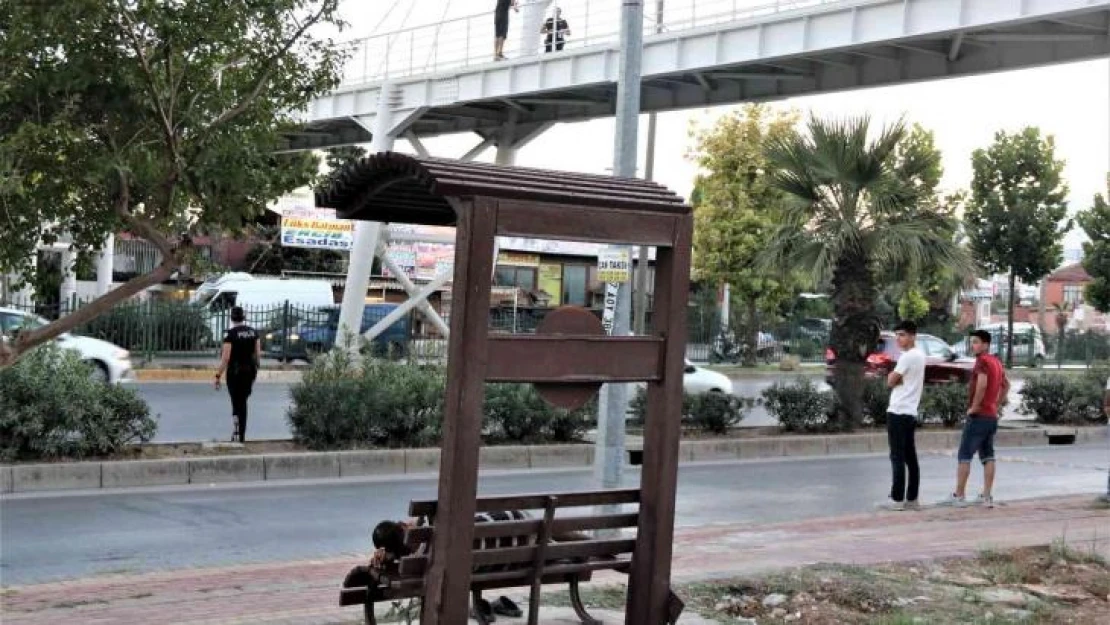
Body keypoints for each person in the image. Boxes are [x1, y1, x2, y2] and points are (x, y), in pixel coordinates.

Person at [941, 329, 1010, 508]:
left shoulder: (982, 362)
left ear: (986, 344)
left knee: (964, 454)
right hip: (991, 416)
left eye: (977, 342)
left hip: (979, 416)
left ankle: (959, 495)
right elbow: (1006, 385)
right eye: (972, 342)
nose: (974, 345)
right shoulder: (996, 361)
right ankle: (986, 495)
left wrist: (975, 407)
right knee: (988, 455)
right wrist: (997, 404)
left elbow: (982, 385)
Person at [881, 320, 926, 511]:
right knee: (910, 457)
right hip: (910, 411)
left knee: (897, 456)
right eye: (897, 335)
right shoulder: (920, 355)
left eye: (903, 335)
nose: (899, 339)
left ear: (912, 336)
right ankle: (912, 498)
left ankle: (897, 498)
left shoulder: (907, 357)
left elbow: (890, 381)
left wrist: (895, 379)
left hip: (898, 411)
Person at [214, 306, 260, 443]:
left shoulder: (231, 335)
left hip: (235, 373)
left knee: (236, 402)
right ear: (243, 317)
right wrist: (255, 369)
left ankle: (238, 433)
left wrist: (218, 375)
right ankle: (240, 434)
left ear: (232, 318)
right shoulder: (253, 333)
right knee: (243, 402)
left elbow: (226, 358)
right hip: (249, 372)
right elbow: (257, 354)